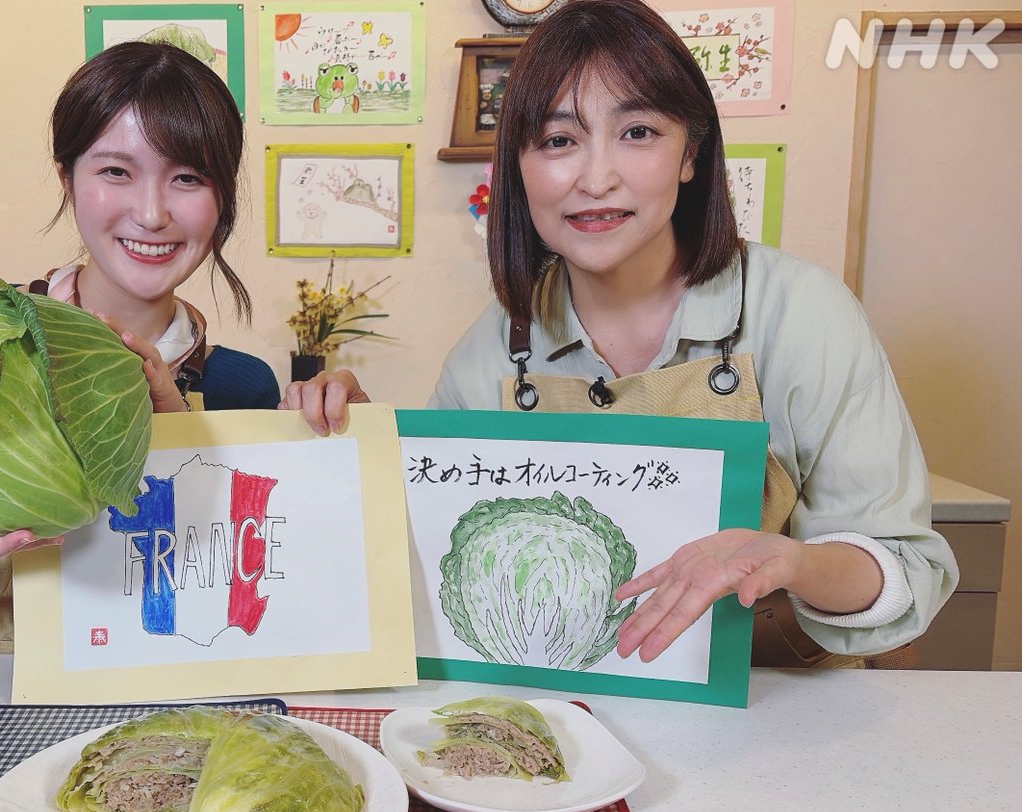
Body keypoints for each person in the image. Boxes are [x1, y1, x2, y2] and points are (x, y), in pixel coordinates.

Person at [292, 0, 958, 667]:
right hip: (568, 717)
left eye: (637, 131)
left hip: (776, 710)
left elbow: (905, 570)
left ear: (690, 154)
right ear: (519, 169)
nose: (596, 177)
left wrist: (790, 562)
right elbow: (426, 564)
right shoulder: (493, 348)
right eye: (558, 140)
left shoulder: (803, 315)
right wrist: (356, 452)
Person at [0, 41, 354, 652]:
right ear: (68, 179)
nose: (153, 213)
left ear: (222, 198)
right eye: (115, 171)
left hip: (134, 702)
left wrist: (340, 445)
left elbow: (259, 578)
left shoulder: (243, 385)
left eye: (188, 177)